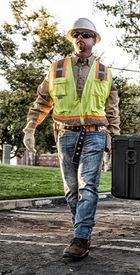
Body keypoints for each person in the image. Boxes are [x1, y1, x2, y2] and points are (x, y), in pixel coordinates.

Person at [23, 18, 120, 260]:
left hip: (95, 135)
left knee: (88, 186)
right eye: (76, 34)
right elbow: (43, 102)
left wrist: (113, 139)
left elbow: (113, 111)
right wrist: (30, 128)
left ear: (93, 41)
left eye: (86, 34)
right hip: (65, 134)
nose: (80, 38)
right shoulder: (56, 68)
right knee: (71, 190)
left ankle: (81, 237)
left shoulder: (104, 72)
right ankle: (81, 231)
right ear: (73, 39)